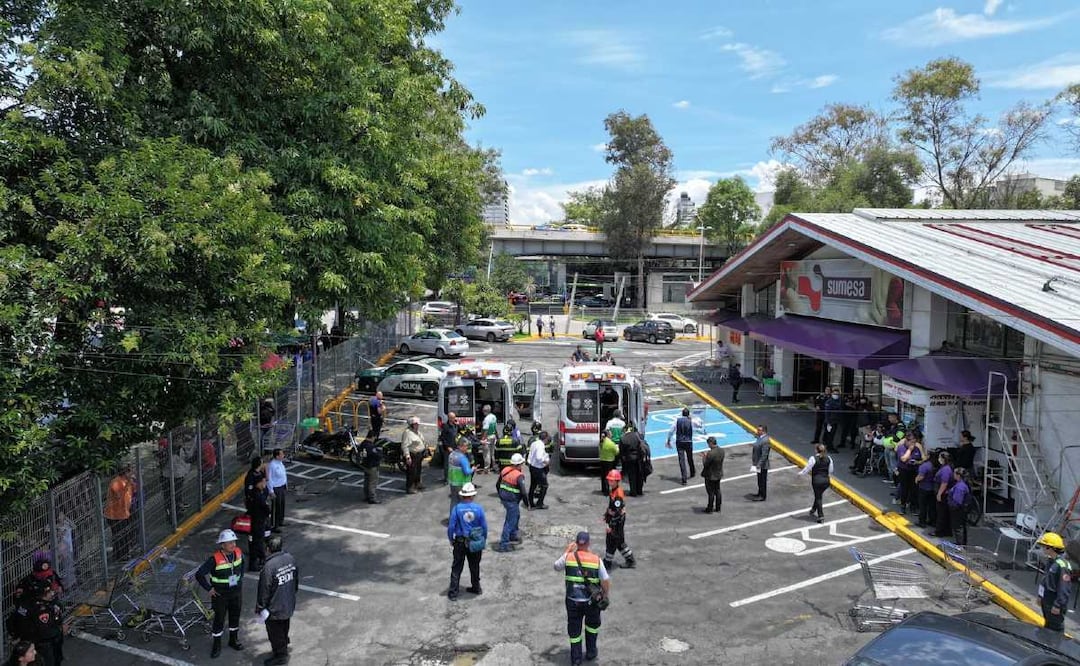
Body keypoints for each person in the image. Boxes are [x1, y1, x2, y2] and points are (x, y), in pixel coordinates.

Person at [554, 532, 611, 666]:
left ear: (576, 543)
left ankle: (576, 660)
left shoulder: (568, 557)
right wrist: (605, 595)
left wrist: (567, 550)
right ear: (588, 543)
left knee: (574, 631)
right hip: (592, 602)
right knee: (592, 627)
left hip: (572, 601)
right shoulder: (596, 560)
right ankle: (591, 652)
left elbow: (556, 566)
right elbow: (605, 580)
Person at [195, 529, 245, 658]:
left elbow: (242, 566)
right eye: (230, 542)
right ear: (222, 545)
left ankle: (233, 640)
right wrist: (209, 589)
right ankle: (216, 645)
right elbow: (199, 574)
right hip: (220, 595)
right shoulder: (214, 559)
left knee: (235, 617)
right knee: (219, 620)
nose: (233, 545)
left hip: (236, 593)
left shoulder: (238, 552)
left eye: (234, 542)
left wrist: (240, 580)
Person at [256, 535, 298, 666]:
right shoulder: (290, 558)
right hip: (288, 601)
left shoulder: (269, 567)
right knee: (285, 625)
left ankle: (280, 655)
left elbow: (264, 590)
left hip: (274, 607)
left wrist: (260, 607)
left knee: (275, 632)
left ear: (268, 549)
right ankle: (283, 644)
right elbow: (295, 581)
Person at [7, 579, 62, 666]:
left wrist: (15, 635)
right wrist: (60, 629)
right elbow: (46, 632)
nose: (52, 593)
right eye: (50, 592)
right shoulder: (41, 609)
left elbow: (11, 621)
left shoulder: (24, 603)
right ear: (44, 594)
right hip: (41, 644)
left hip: (26, 643)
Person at [447, 482, 487, 600]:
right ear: (473, 495)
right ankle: (476, 587)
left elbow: (451, 526)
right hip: (474, 541)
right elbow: (484, 526)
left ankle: (453, 593)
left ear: (462, 495)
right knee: (475, 566)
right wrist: (483, 538)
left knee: (457, 567)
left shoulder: (457, 508)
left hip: (460, 541)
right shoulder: (478, 508)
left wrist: (451, 539)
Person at [1036, 532, 1073, 631]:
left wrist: (1058, 605)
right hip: (1047, 600)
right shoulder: (1051, 561)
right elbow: (1045, 580)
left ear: (1050, 548)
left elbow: (1064, 588)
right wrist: (1040, 596)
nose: (1042, 548)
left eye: (1044, 546)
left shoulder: (1062, 565)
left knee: (1056, 629)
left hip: (1054, 601)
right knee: (1048, 625)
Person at [496, 453, 530, 552]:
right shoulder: (519, 476)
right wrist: (527, 504)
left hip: (505, 499)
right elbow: (523, 492)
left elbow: (497, 484)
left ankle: (513, 535)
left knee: (516, 516)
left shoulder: (505, 470)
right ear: (519, 464)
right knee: (510, 521)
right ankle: (504, 544)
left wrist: (501, 495)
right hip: (512, 500)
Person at [602, 471, 635, 569]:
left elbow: (617, 511)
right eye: (609, 480)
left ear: (617, 481)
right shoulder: (613, 490)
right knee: (619, 542)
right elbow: (611, 507)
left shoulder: (618, 494)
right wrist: (607, 515)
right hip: (615, 520)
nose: (610, 482)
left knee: (612, 541)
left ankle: (607, 562)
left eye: (612, 481)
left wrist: (611, 524)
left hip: (617, 522)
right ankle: (630, 560)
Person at [104, 464, 137, 562]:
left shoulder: (128, 481)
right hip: (115, 515)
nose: (132, 473)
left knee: (125, 534)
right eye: (130, 471)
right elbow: (119, 496)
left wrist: (133, 482)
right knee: (119, 536)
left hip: (124, 513)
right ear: (125, 472)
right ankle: (120, 555)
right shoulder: (116, 482)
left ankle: (125, 553)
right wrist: (128, 483)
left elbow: (135, 490)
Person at [799, 444, 833, 523]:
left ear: (816, 450)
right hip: (826, 481)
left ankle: (821, 516)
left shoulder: (813, 458)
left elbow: (807, 468)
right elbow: (831, 470)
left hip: (817, 481)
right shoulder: (829, 458)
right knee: (818, 495)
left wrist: (800, 473)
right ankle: (813, 509)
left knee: (818, 497)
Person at [666, 407, 700, 485]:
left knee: (682, 460)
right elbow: (699, 425)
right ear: (688, 414)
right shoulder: (691, 421)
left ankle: (684, 479)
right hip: (688, 441)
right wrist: (692, 418)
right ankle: (692, 472)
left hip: (680, 441)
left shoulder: (677, 421)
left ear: (682, 414)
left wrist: (668, 440)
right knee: (690, 457)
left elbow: (671, 431)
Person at [246, 471, 272, 572]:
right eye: (263, 482)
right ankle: (257, 561)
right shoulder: (258, 496)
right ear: (259, 483)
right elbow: (265, 507)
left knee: (255, 542)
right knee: (257, 542)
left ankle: (259, 559)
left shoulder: (252, 493)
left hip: (254, 520)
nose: (265, 484)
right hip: (258, 522)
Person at [448, 436, 474, 511]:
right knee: (464, 502)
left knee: (454, 501)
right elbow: (467, 472)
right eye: (465, 446)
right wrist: (472, 469)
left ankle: (453, 516)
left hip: (452, 482)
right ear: (460, 446)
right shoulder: (462, 458)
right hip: (461, 483)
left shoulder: (451, 454)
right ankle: (462, 517)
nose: (467, 448)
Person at [402, 416, 427, 494]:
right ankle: (410, 487)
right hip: (413, 455)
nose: (417, 425)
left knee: (418, 470)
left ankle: (417, 483)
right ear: (411, 424)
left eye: (417, 424)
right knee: (411, 472)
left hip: (419, 454)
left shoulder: (417, 432)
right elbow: (405, 446)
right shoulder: (407, 433)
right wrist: (407, 457)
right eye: (415, 424)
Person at [619, 423, 646, 497]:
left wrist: (623, 461)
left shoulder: (623, 438)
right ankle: (639, 490)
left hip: (629, 458)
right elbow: (641, 445)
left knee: (632, 475)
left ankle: (633, 492)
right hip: (638, 457)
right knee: (639, 474)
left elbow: (621, 451)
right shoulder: (636, 435)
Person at [947, 467, 972, 545]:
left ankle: (960, 545)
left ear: (958, 475)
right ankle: (962, 543)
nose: (953, 475)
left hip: (958, 510)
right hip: (962, 509)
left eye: (954, 473)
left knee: (958, 528)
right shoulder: (962, 484)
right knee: (961, 526)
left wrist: (951, 506)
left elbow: (957, 501)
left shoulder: (959, 487)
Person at [527, 430, 551, 509]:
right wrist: (546, 462)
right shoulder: (541, 445)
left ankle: (530, 503)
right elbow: (539, 457)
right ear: (545, 438)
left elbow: (530, 455)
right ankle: (539, 503)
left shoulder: (534, 443)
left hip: (532, 466)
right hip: (538, 468)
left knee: (533, 485)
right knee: (545, 485)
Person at [701, 436, 725, 514]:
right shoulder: (722, 450)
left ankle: (710, 508)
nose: (708, 445)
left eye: (708, 444)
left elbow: (705, 464)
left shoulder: (711, 453)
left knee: (710, 492)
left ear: (711, 443)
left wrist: (704, 457)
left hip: (710, 475)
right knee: (717, 490)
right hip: (718, 473)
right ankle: (718, 507)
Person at [915, 451, 939, 528]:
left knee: (923, 506)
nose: (923, 456)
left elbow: (921, 477)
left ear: (928, 456)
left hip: (924, 488)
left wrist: (916, 479)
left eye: (925, 454)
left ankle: (922, 522)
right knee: (932, 506)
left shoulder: (924, 466)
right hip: (932, 488)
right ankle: (932, 521)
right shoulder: (935, 465)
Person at [359, 432, 384, 504]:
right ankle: (372, 498)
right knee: (372, 483)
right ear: (372, 437)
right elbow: (377, 455)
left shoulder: (363, 444)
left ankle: (366, 496)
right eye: (374, 438)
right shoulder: (370, 446)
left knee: (366, 481)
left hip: (365, 465)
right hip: (372, 466)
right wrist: (380, 452)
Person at [933, 451, 954, 538]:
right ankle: (946, 531)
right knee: (944, 513)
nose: (939, 459)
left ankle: (939, 531)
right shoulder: (946, 467)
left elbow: (944, 483)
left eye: (940, 457)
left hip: (943, 494)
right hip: (944, 493)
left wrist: (939, 494)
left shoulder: (946, 469)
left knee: (941, 513)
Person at [266, 448, 288, 532]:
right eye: (281, 454)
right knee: (276, 507)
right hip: (276, 488)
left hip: (282, 487)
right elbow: (269, 479)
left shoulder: (280, 463)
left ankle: (280, 521)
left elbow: (283, 474)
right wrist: (271, 491)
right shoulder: (272, 465)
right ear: (277, 456)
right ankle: (274, 525)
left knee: (282, 505)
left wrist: (285, 484)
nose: (283, 455)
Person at [750, 425, 771, 501]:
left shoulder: (765, 440)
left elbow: (764, 455)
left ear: (763, 431)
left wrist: (759, 464)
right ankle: (759, 493)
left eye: (759, 430)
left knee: (762, 480)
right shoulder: (760, 438)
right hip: (758, 463)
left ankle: (763, 496)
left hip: (762, 465)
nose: (757, 431)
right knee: (759, 480)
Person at [439, 412, 459, 485]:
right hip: (448, 448)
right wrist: (448, 447)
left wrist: (459, 424)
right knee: (447, 465)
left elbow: (460, 431)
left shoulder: (455, 425)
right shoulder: (446, 426)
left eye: (455, 417)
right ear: (449, 418)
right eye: (453, 418)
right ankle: (446, 479)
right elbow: (443, 438)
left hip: (455, 447)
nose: (454, 419)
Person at [598, 430, 619, 494]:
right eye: (611, 434)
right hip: (609, 461)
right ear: (608, 435)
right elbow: (616, 452)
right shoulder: (611, 443)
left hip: (602, 460)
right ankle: (607, 490)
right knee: (608, 476)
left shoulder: (601, 442)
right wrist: (617, 448)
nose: (612, 435)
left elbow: (599, 451)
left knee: (603, 475)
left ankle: (604, 489)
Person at [822, 388, 842, 453]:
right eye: (834, 394)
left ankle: (829, 447)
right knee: (830, 435)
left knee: (832, 435)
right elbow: (827, 413)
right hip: (830, 421)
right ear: (832, 394)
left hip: (835, 421)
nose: (836, 395)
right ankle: (829, 448)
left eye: (837, 394)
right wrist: (828, 422)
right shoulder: (829, 402)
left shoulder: (838, 401)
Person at [480, 404, 498, 472]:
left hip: (487, 437)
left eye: (483, 410)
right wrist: (497, 436)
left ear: (486, 411)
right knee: (492, 453)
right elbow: (495, 428)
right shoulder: (493, 416)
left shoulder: (486, 419)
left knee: (486, 454)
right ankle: (494, 466)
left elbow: (486, 430)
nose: (482, 412)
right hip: (493, 436)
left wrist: (483, 439)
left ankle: (487, 469)